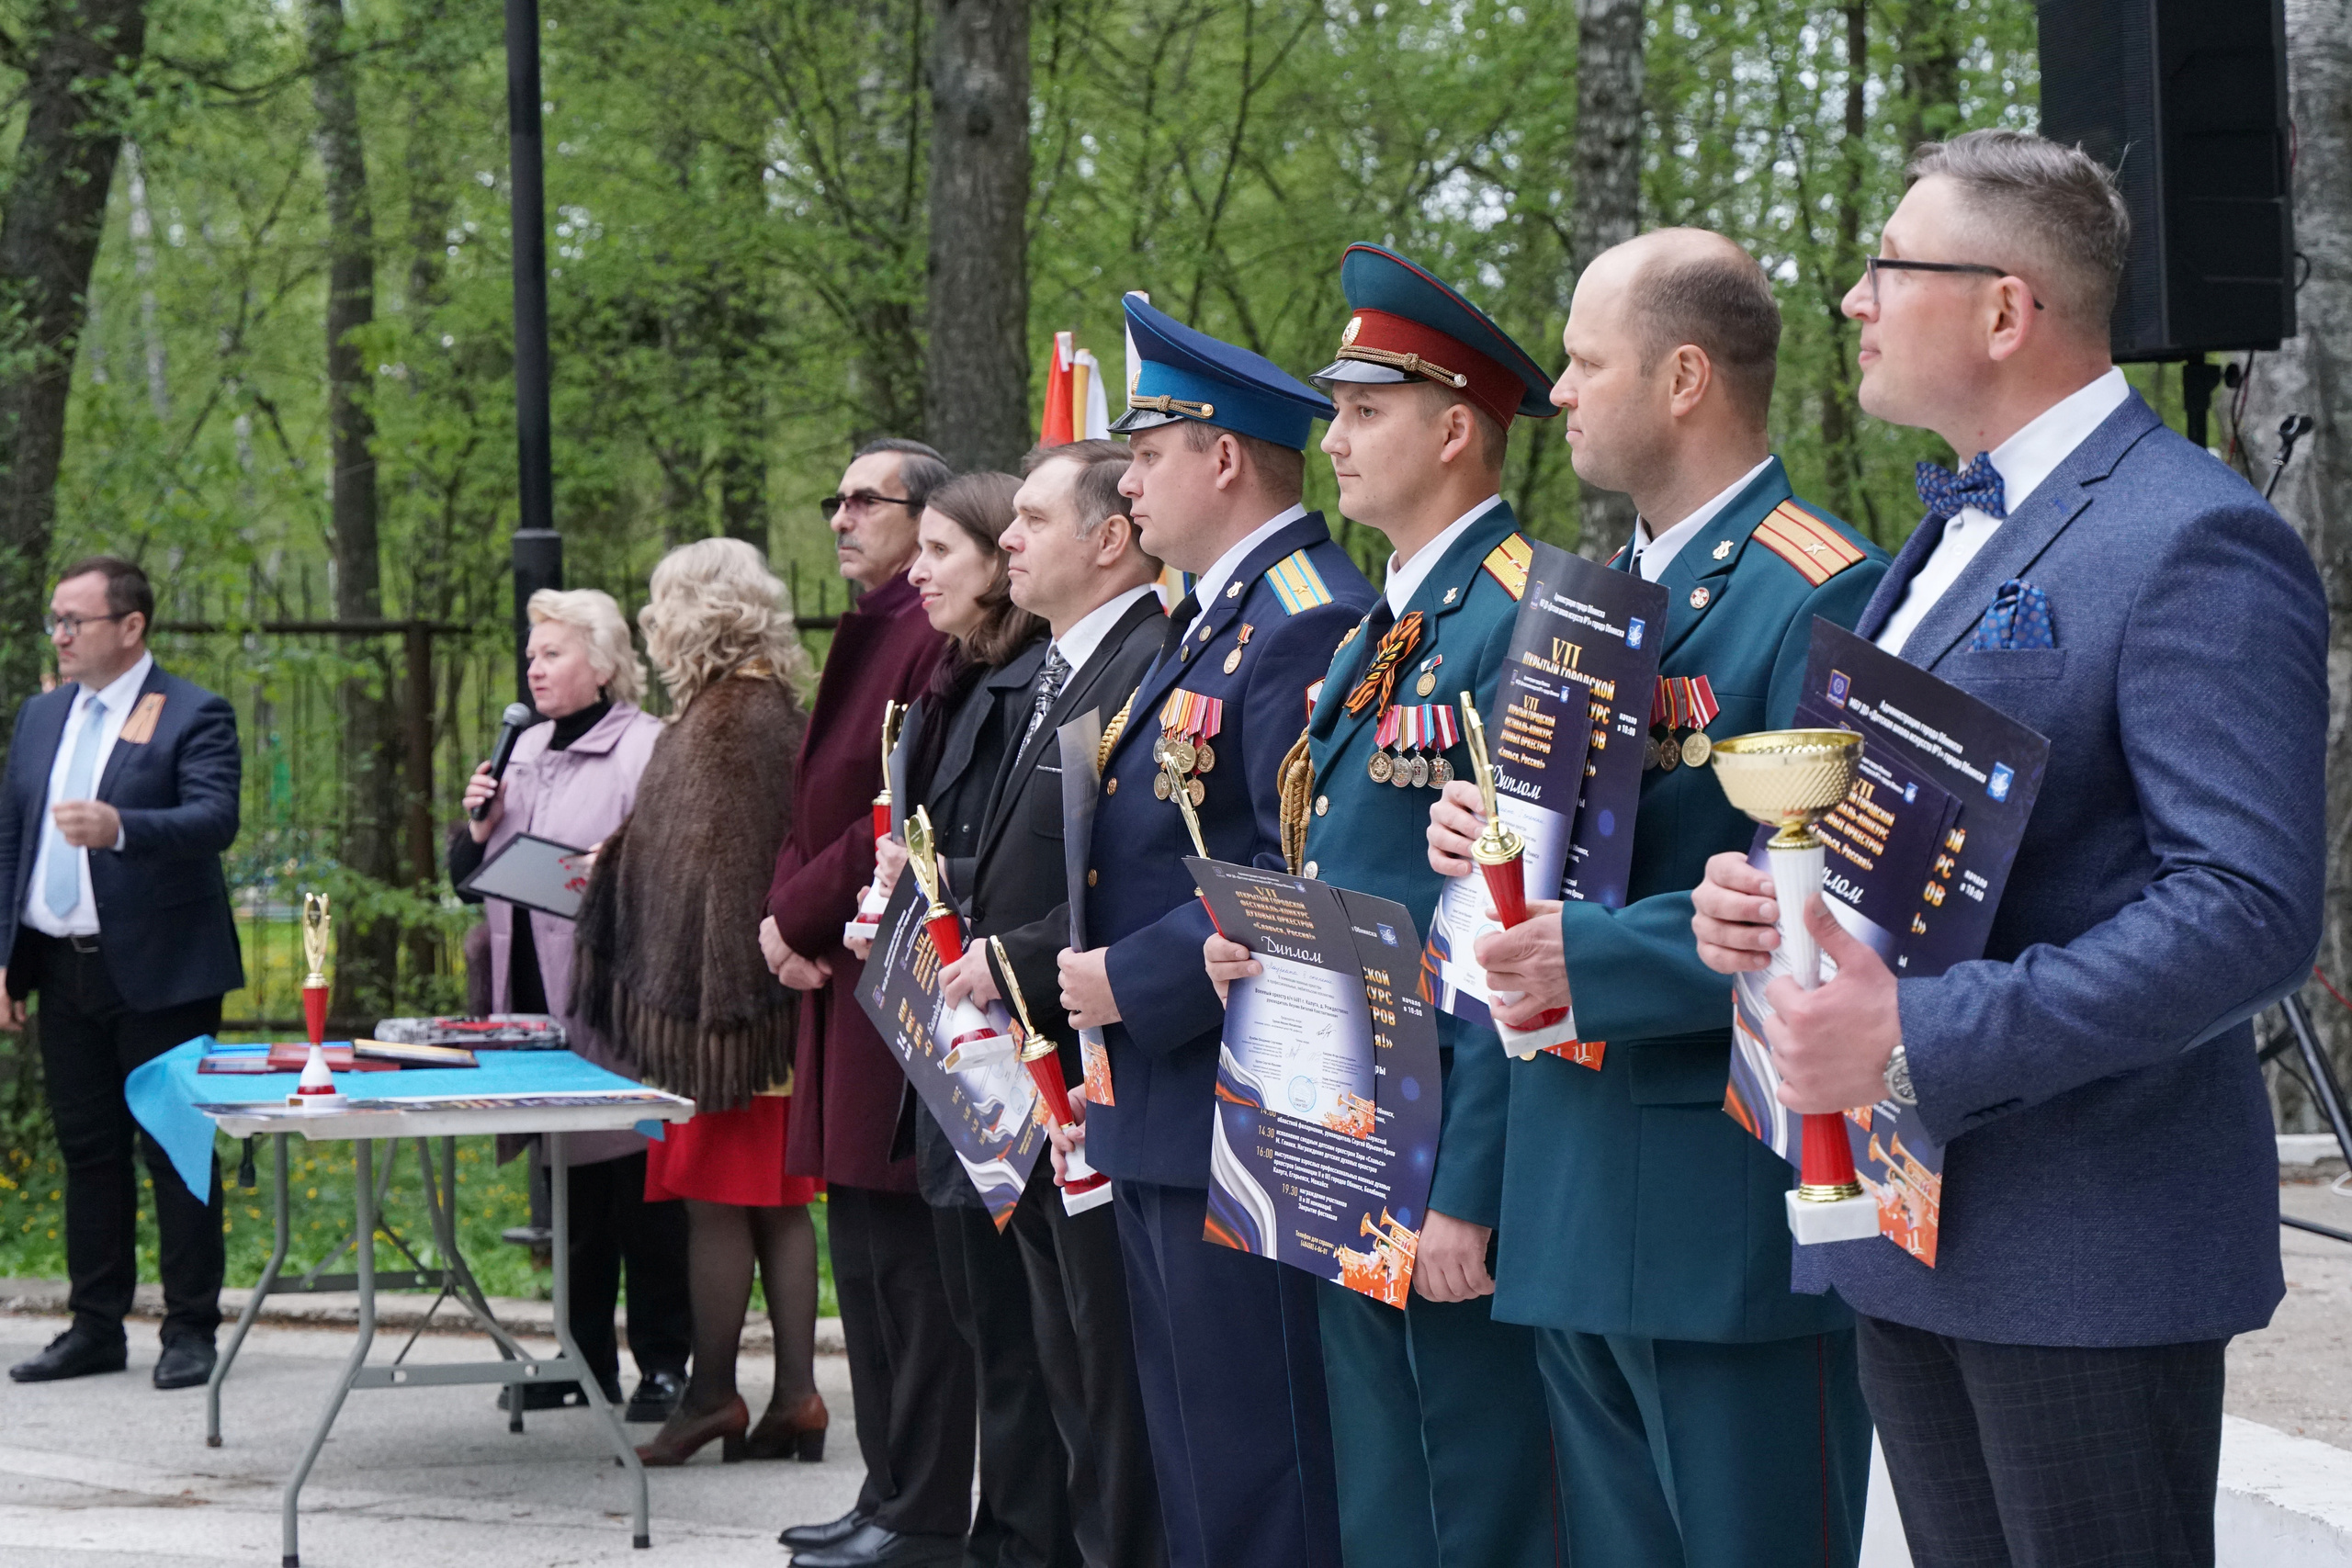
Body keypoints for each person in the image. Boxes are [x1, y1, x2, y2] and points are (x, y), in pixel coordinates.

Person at [1690, 130, 2325, 1567]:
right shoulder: (1954, 531)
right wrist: (1764, 901)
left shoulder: (2191, 535)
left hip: (2083, 1247)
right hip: (1906, 1226)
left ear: (2001, 308)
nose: (1852, 300)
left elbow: (2246, 908)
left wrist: (1914, 1026)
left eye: (1885, 267)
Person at [1419, 228, 1887, 1567]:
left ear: (1683, 377)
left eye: (1582, 360)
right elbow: (1546, 884)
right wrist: (1481, 847)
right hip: (1573, 1181)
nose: (1556, 391)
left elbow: (1832, 910)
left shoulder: (1820, 588)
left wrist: (1593, 952)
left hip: (1715, 1207)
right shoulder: (1593, 602)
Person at [1201, 243, 1566, 1568]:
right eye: (1337, 410)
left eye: (1365, 411)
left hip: (1443, 1142)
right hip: (1346, 1119)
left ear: (1457, 428)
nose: (1335, 439)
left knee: (1475, 1487)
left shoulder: (1527, 617)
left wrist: (1472, 1184)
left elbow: (1511, 931)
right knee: (1383, 1486)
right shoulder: (1383, 627)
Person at [1056, 297, 1372, 1568]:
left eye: (1146, 453)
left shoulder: (1300, 612)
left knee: (1257, 1463)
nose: (1126, 482)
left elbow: (1290, 865)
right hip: (1164, 1093)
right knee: (1196, 1449)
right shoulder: (1214, 610)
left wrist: (1131, 978)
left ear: (1222, 456)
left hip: (1236, 1093)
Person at [939, 440, 1170, 1568]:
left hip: (1091, 1056)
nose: (1009, 541)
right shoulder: (1060, 666)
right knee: (1064, 1353)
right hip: (1029, 1065)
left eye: (1031, 519)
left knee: (1109, 1368)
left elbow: (1136, 873)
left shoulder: (1144, 662)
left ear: (1108, 538)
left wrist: (1012, 957)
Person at [854, 469, 1076, 1568]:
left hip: (1013, 1040)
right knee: (989, 1321)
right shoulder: (955, 680)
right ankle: (998, 1531)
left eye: (943, 549)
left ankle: (1024, 1538)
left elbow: (1020, 869)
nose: (918, 569)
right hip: (958, 1039)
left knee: (1030, 1337)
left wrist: (928, 885)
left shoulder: (1029, 682)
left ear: (998, 562)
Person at [569, 538, 822, 1467]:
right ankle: (796, 1397)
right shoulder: (759, 708)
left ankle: (714, 1395)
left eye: (660, 607)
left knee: (717, 1204)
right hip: (757, 1015)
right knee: (777, 1208)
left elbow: (722, 870)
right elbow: (692, 854)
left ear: (693, 615)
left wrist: (707, 997)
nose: (653, 624)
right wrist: (629, 862)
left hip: (722, 1016)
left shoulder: (727, 722)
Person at [767, 440, 967, 1568]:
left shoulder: (925, 632)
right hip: (835, 973)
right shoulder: (874, 625)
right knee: (867, 1256)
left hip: (885, 974)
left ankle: (923, 1504)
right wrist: (783, 914)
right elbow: (817, 804)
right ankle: (886, 1487)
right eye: (834, 497)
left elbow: (894, 806)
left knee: (908, 1267)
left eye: (865, 500)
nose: (841, 516)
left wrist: (791, 913)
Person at [2, 556, 242, 1392]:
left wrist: (120, 827)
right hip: (61, 970)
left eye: (77, 620)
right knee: (88, 1152)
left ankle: (190, 1327)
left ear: (130, 627)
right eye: (55, 621)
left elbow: (215, 818)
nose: (61, 635)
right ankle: (95, 1325)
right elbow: (13, 840)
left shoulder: (191, 712)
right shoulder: (41, 717)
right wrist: (4, 960)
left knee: (177, 1151)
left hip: (163, 973)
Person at [453, 588, 685, 1420]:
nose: (534, 666)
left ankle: (663, 1363)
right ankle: (583, 1360)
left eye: (551, 652)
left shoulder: (644, 748)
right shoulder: (520, 750)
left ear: (603, 661)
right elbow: (463, 875)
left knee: (641, 1197)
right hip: (533, 1006)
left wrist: (607, 868)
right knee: (571, 1201)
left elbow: (665, 873)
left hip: (615, 1008)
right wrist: (476, 828)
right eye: (531, 653)